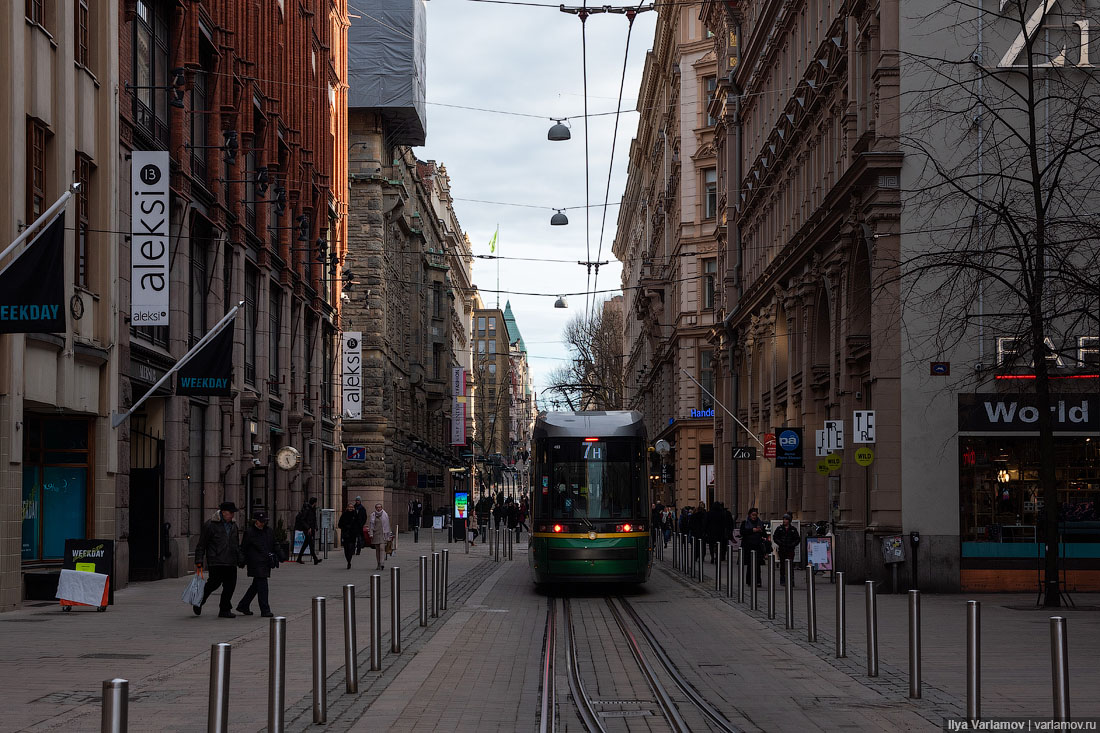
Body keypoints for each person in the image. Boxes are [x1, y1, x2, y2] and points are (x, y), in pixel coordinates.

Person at [194, 501, 243, 618]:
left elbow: (236, 544)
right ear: (223, 512)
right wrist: (199, 560)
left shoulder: (234, 526)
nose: (232, 515)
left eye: (233, 513)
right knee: (213, 583)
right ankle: (199, 601)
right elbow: (201, 544)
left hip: (231, 560)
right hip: (216, 560)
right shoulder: (210, 525)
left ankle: (224, 609)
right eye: (230, 513)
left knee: (230, 585)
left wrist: (240, 558)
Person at [236, 510, 277, 617]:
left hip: (265, 562)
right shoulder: (250, 532)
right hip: (255, 562)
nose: (262, 523)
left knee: (256, 586)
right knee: (263, 586)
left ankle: (243, 605)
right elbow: (243, 548)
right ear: (256, 521)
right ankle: (265, 609)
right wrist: (241, 561)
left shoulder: (269, 531)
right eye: (261, 521)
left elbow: (274, 544)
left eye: (264, 521)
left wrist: (280, 555)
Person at [739, 507, 767, 585]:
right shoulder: (745, 523)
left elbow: (764, 534)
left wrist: (761, 531)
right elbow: (742, 532)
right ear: (749, 515)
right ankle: (749, 581)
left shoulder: (760, 523)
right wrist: (752, 530)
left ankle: (758, 581)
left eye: (755, 515)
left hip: (757, 546)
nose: (754, 516)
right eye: (753, 515)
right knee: (750, 564)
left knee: (757, 564)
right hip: (748, 546)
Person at [773, 512, 801, 586]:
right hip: (782, 549)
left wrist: (792, 544)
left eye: (786, 519)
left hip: (790, 549)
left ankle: (791, 580)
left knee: (790, 565)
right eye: (784, 519)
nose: (784, 521)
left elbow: (797, 539)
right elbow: (775, 537)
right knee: (783, 565)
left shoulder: (793, 529)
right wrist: (780, 543)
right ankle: (783, 579)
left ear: (789, 520)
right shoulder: (779, 529)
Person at [294, 497, 322, 565]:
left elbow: (314, 519)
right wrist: (308, 527)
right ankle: (315, 559)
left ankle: (299, 558)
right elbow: (302, 520)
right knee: (311, 544)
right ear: (314, 502)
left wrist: (315, 527)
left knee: (305, 544)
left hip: (311, 529)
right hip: (307, 530)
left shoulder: (313, 509)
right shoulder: (307, 509)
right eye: (316, 502)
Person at [368, 502, 393, 570]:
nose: (378, 509)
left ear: (381, 508)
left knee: (382, 548)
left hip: (383, 534)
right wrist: (371, 533)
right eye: (377, 507)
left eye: (380, 507)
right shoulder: (372, 515)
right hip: (376, 533)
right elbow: (371, 525)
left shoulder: (385, 515)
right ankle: (378, 563)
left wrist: (389, 534)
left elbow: (388, 525)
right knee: (377, 549)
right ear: (375, 508)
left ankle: (382, 563)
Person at [339, 502, 360, 569]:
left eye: (352, 507)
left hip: (352, 534)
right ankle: (348, 560)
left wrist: (356, 531)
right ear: (347, 508)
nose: (350, 508)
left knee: (351, 548)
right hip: (346, 534)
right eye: (349, 507)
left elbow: (358, 524)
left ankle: (349, 561)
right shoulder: (344, 515)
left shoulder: (355, 515)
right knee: (346, 549)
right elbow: (340, 524)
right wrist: (345, 527)